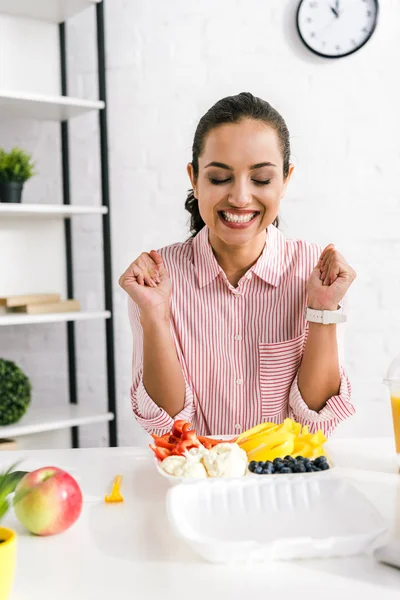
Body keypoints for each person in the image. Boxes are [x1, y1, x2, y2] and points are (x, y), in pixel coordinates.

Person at [119, 92, 356, 438]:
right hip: (196, 481)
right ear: (194, 179)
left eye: (261, 179)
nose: (241, 197)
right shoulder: (157, 277)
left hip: (286, 482)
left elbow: (315, 422)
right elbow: (168, 426)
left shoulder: (317, 272)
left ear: (285, 180)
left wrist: (322, 308)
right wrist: (156, 317)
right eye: (219, 178)